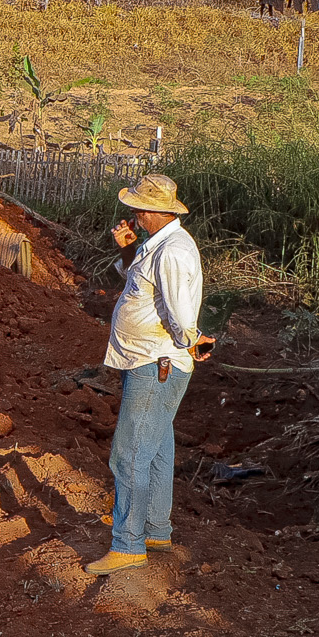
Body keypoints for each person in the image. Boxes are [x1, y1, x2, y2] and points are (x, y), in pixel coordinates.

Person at [87, 173, 212, 576]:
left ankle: (128, 544)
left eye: (139, 208)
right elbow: (143, 289)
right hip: (150, 360)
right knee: (157, 447)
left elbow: (178, 311)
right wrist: (127, 251)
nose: (135, 215)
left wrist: (190, 339)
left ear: (156, 210)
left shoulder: (172, 251)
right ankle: (156, 529)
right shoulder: (157, 246)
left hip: (156, 362)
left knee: (128, 454)